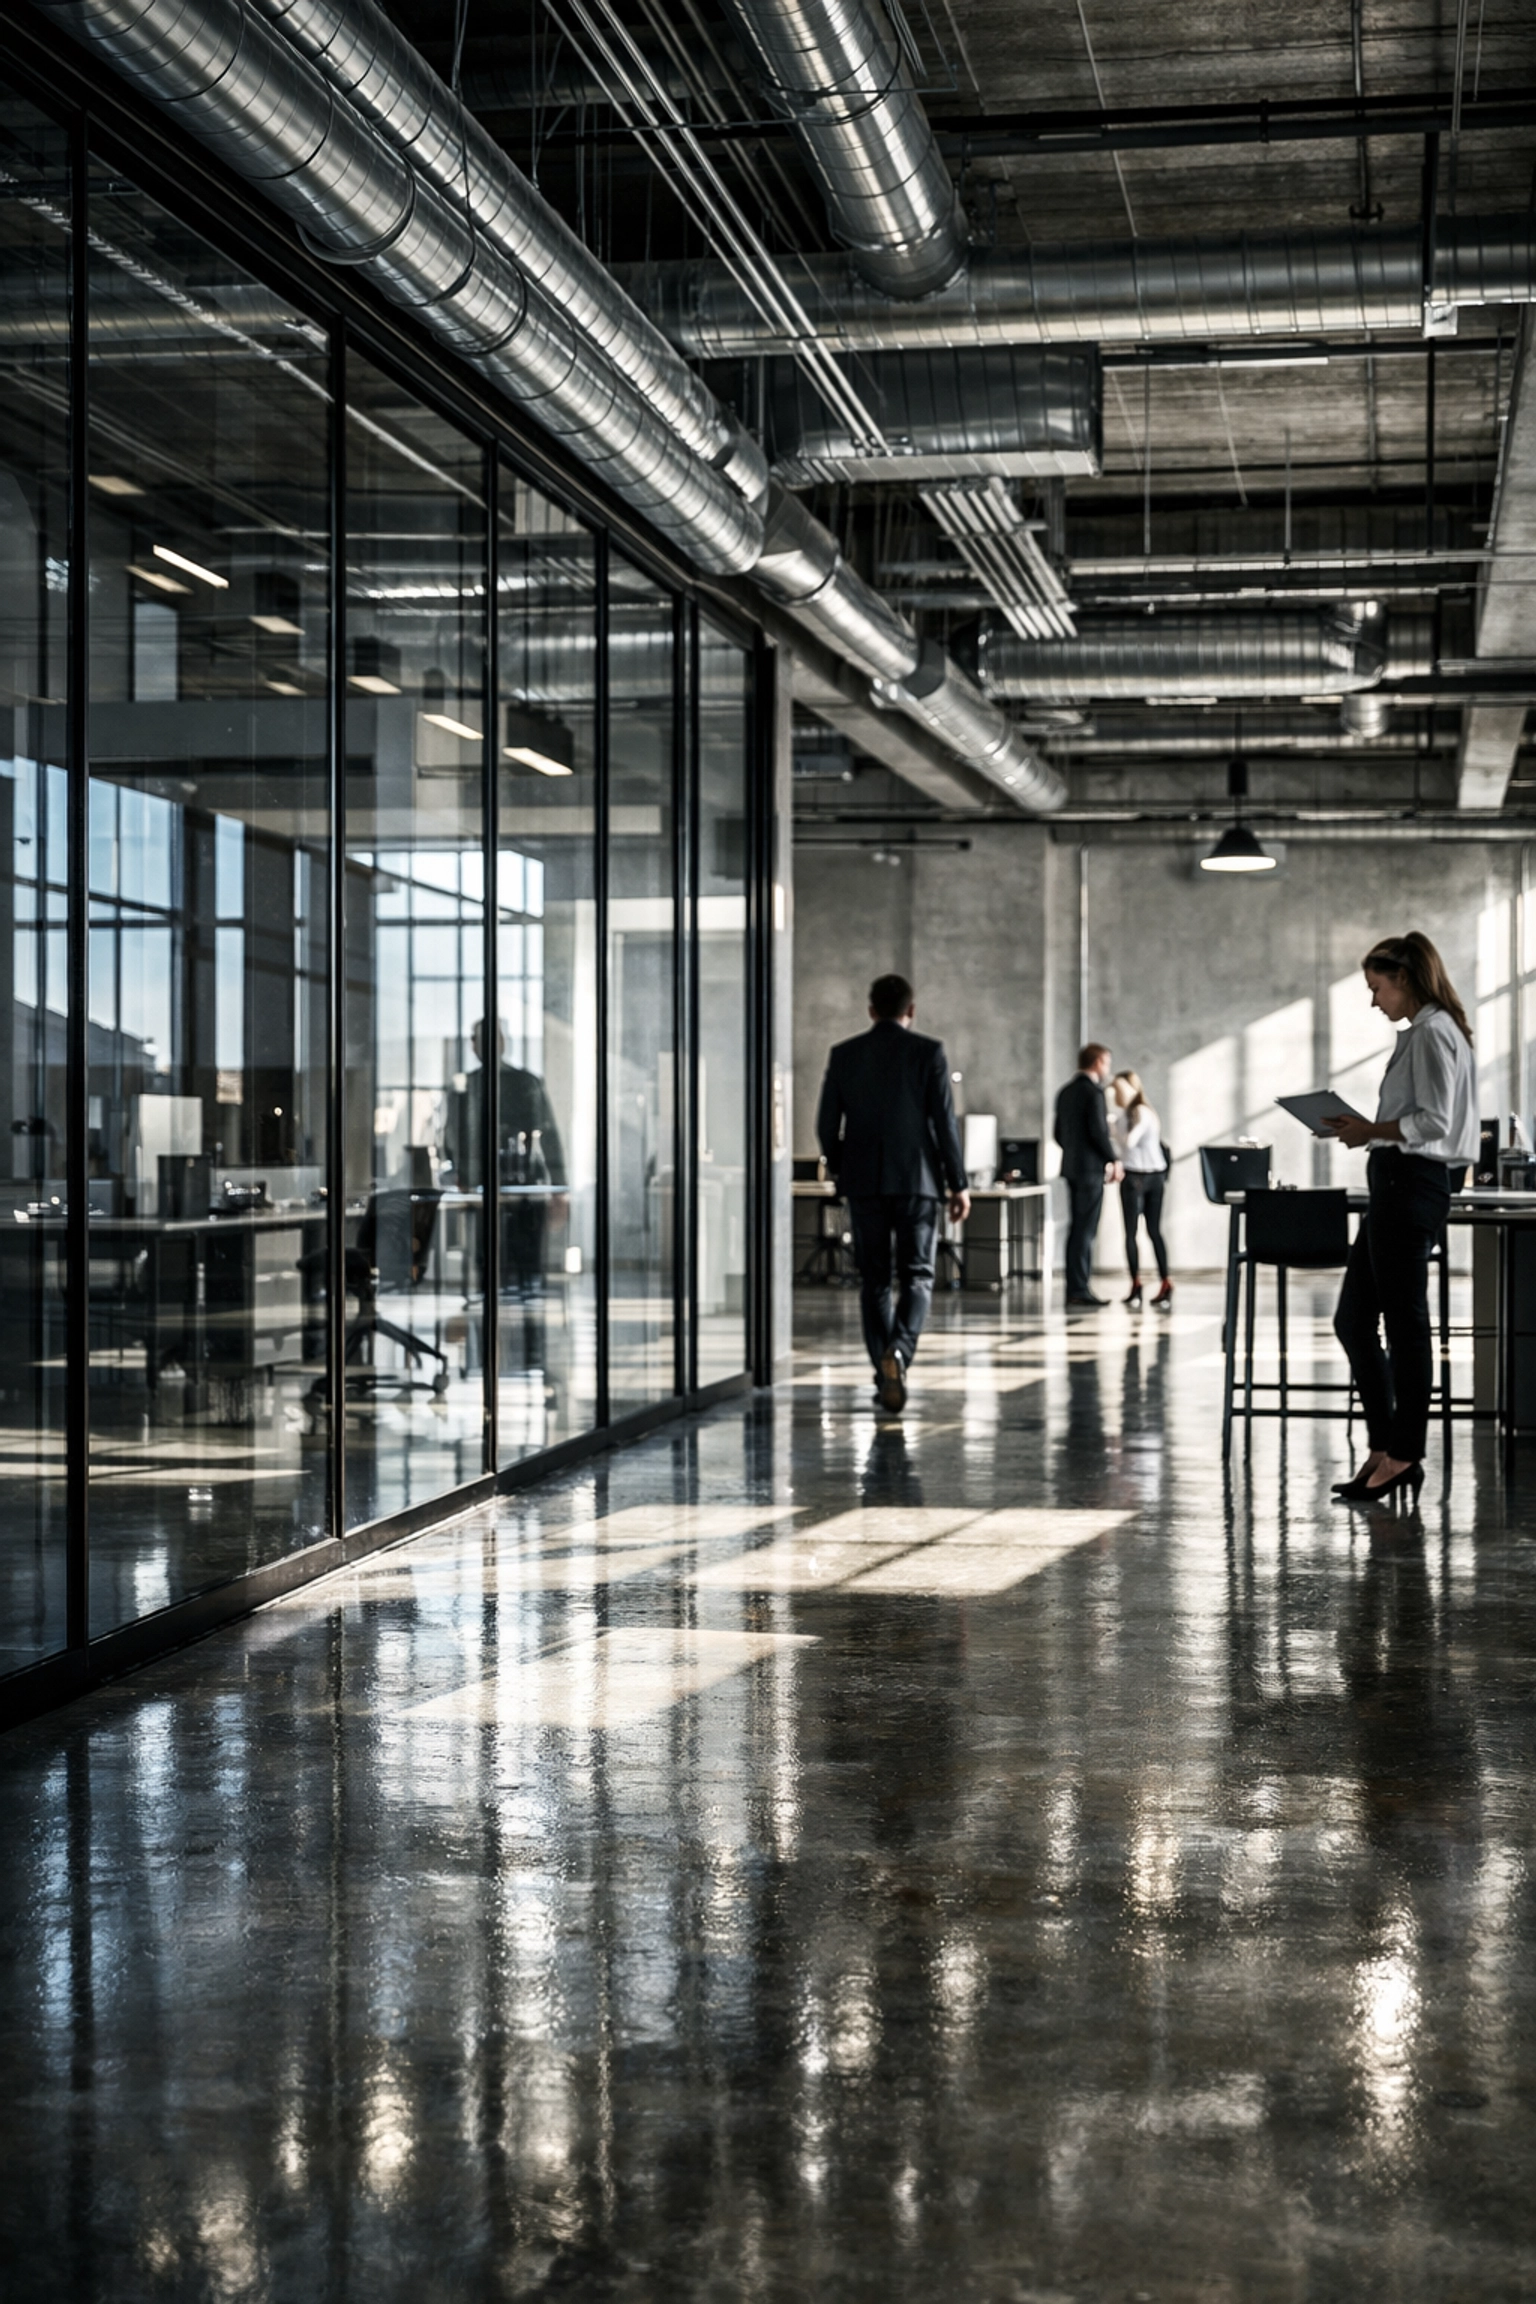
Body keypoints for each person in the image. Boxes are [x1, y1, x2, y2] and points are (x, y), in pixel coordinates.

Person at [1325, 931, 1478, 1507]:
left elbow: (1434, 1121)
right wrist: (1370, 1131)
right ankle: (1386, 1445)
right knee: (1354, 1320)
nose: (1374, 1001)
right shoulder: (1426, 1033)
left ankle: (1403, 1452)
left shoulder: (1435, 1032)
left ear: (1406, 979)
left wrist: (1371, 1132)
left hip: (1411, 1182)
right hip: (1396, 1180)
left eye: (1377, 987)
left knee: (1405, 1324)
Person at [815, 972, 970, 1414]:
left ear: (871, 1010)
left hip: (864, 1183)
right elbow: (944, 1124)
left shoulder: (845, 1054)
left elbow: (826, 1125)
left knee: (875, 1282)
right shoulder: (928, 1052)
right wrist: (958, 1184)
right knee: (918, 1275)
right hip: (917, 1183)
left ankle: (883, 1367)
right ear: (912, 1011)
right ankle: (899, 1353)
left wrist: (845, 1168)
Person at [443, 1020, 568, 1294]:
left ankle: (516, 1316)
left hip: (519, 1186)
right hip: (488, 1187)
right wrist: (462, 1177)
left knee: (522, 1262)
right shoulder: (467, 1088)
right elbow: (452, 1140)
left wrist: (559, 1187)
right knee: (492, 1262)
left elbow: (547, 1136)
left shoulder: (523, 1083)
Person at [1054, 1042, 1122, 1308]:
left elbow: (1058, 1134)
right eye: (1106, 1062)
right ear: (1097, 1062)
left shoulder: (1065, 1092)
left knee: (1076, 1229)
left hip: (1071, 1168)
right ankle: (1080, 1289)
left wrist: (1074, 1152)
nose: (1107, 1069)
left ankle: (1075, 1287)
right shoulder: (1094, 1093)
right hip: (1090, 1171)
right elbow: (1098, 1132)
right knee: (1086, 1231)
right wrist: (1112, 1159)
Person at [1110, 1070, 1173, 1310]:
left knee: (1154, 1231)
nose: (1115, 1094)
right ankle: (1135, 1284)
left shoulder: (1142, 1112)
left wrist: (1113, 1126)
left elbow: (1129, 1141)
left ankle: (1166, 1282)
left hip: (1147, 1176)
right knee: (1131, 1233)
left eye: (1119, 1089)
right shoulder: (1126, 1115)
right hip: (1134, 1174)